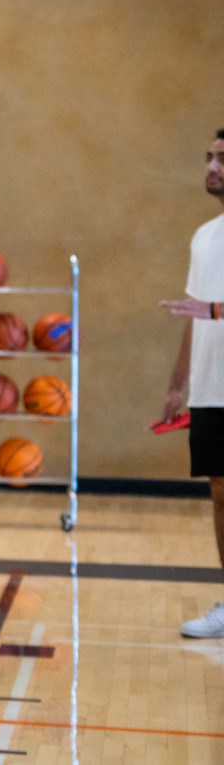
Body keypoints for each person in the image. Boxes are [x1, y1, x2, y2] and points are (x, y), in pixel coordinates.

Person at [160, 131, 224, 638]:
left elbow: (210, 309)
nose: (212, 166)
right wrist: (178, 383)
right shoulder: (204, 236)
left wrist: (213, 310)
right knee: (220, 493)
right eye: (209, 157)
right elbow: (193, 312)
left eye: (222, 158)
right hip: (210, 388)